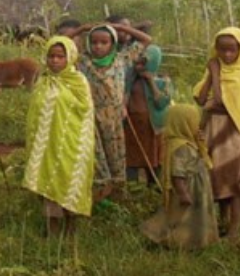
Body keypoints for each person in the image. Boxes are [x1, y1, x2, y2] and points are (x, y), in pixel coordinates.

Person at [23, 36, 95, 237]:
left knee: (69, 184)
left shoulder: (78, 82)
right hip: (46, 148)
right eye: (51, 56)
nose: (55, 60)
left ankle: (71, 229)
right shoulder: (42, 82)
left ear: (70, 58)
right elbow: (35, 116)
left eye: (60, 56)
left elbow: (85, 112)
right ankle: (52, 232)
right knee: (48, 187)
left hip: (72, 145)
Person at [73, 21, 152, 202]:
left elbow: (147, 40)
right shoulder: (84, 62)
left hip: (114, 118)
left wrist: (122, 28)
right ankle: (98, 198)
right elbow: (60, 43)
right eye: (94, 42)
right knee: (96, 159)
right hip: (91, 117)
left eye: (104, 42)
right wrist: (81, 29)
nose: (98, 47)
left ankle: (117, 199)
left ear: (113, 44)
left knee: (116, 157)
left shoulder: (121, 59)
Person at [140, 104, 220, 250]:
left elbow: (204, 158)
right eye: (194, 122)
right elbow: (177, 172)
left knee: (195, 217)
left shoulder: (188, 142)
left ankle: (194, 240)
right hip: (190, 189)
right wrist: (183, 193)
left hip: (196, 188)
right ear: (185, 124)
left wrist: (200, 141)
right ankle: (177, 242)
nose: (197, 125)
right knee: (183, 218)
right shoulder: (181, 147)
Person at [194, 27, 240, 238]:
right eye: (222, 50)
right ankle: (222, 222)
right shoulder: (214, 67)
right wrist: (213, 72)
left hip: (234, 132)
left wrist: (215, 73)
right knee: (217, 176)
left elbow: (220, 103)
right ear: (216, 50)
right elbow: (202, 100)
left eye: (232, 50)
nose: (227, 55)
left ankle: (234, 229)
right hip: (214, 129)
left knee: (235, 179)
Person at [123, 44, 172, 186]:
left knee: (153, 159)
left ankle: (154, 187)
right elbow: (123, 98)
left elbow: (161, 103)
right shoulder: (129, 80)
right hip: (132, 126)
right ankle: (133, 188)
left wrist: (151, 81)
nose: (139, 67)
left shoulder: (163, 82)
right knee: (131, 159)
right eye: (136, 64)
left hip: (151, 128)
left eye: (143, 64)